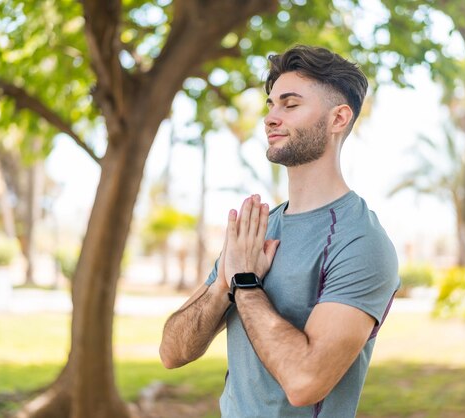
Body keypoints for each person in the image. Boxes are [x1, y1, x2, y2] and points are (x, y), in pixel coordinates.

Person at [159, 45, 399, 418]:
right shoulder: (257, 230)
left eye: (290, 105)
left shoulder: (360, 242)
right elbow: (172, 352)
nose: (271, 118)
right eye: (270, 105)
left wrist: (245, 282)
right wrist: (223, 286)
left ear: (338, 118)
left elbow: (305, 382)